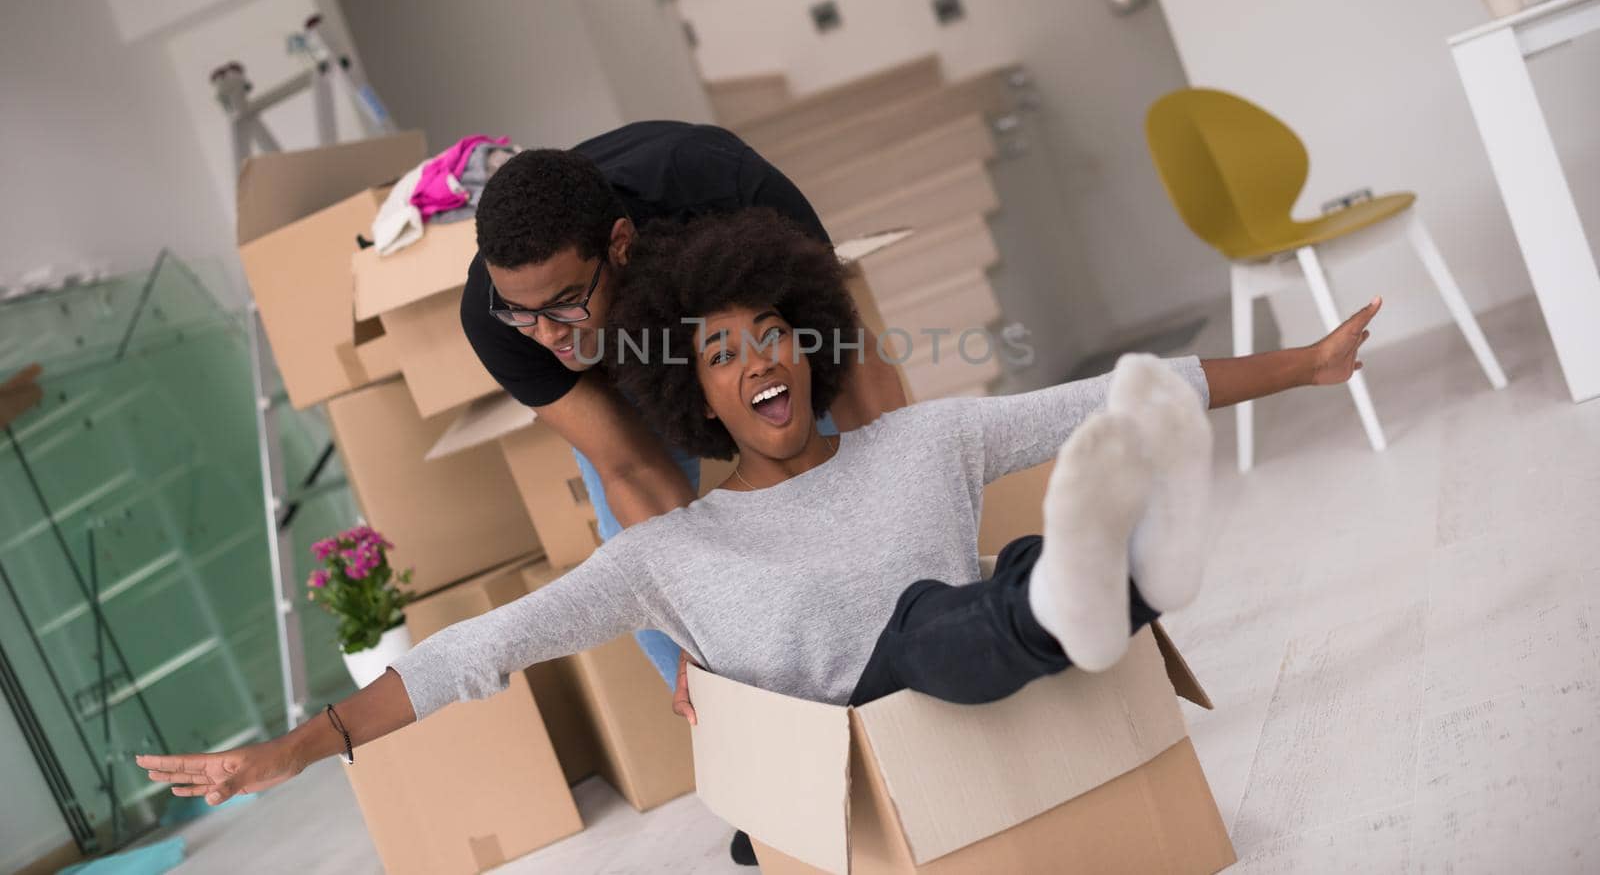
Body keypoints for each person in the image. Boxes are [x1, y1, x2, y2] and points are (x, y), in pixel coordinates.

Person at [137, 212, 1382, 831]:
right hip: (856, 769)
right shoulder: (669, 553)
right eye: (720, 356)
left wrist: (1306, 364)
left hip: (987, 684)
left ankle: (1103, 578)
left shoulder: (923, 442)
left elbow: (1114, 398)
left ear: (808, 339)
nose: (755, 365)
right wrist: (292, 752)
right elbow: (478, 651)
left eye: (771, 335)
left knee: (975, 597)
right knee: (930, 625)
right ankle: (1088, 585)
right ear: (696, 392)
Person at [460, 122, 907, 696]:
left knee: (850, 483)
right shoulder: (496, 316)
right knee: (657, 570)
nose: (545, 335)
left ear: (621, 244)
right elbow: (633, 469)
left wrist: (901, 529)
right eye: (523, 313)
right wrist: (718, 649)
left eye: (565, 302)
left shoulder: (715, 185)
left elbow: (850, 363)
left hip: (738, 316)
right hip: (620, 365)